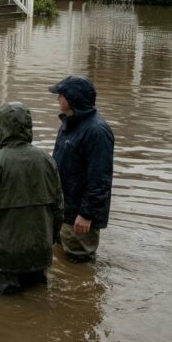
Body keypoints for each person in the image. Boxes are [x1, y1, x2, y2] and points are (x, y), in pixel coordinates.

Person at [0, 102, 63, 294]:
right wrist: (52, 238)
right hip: (39, 254)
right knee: (39, 303)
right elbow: (58, 208)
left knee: (1, 309)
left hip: (2, 258)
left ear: (0, 128)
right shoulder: (48, 161)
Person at [49, 75, 114, 262]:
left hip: (79, 216)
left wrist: (87, 214)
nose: (57, 98)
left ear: (73, 99)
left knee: (79, 266)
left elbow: (101, 178)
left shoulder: (97, 131)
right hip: (63, 210)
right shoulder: (69, 124)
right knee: (63, 263)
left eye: (61, 94)